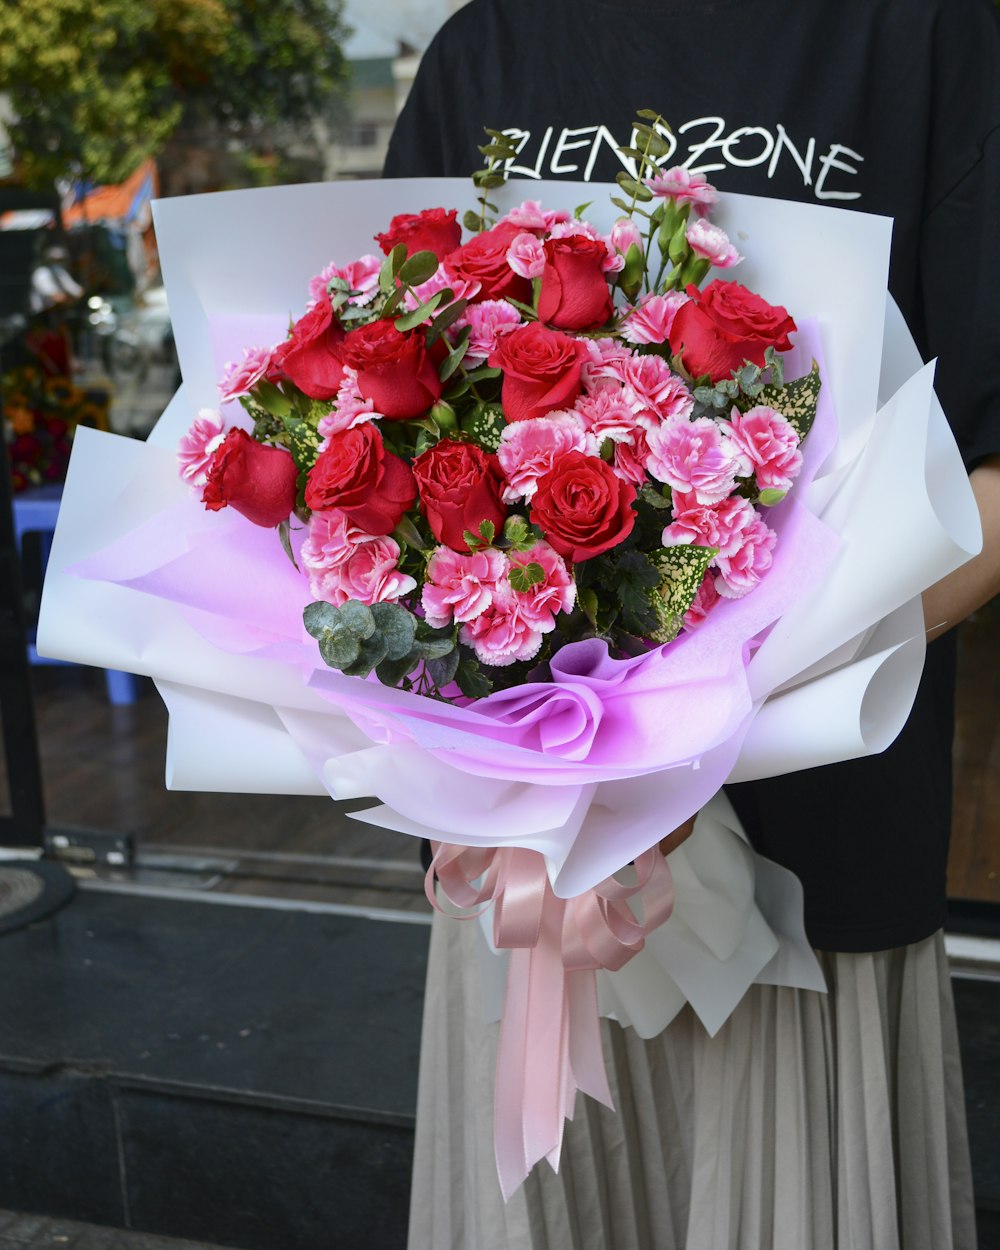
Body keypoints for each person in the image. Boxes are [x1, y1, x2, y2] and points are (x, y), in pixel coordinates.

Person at [383, 1, 1000, 1246]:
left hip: (807, 844)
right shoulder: (485, 46)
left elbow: (991, 464)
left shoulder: (924, 35)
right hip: (528, 858)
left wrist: (723, 693)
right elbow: (384, 409)